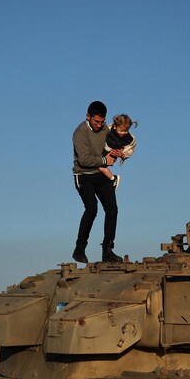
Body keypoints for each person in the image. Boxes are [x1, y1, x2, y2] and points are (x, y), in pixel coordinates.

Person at [72, 101, 123, 263]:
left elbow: (113, 144)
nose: (99, 125)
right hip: (83, 175)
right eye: (96, 122)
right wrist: (104, 160)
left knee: (112, 209)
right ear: (88, 117)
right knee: (92, 209)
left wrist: (119, 152)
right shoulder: (80, 132)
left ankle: (107, 249)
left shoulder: (105, 130)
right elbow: (84, 160)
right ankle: (79, 249)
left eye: (102, 121)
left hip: (101, 174)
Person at [98, 114, 137, 188]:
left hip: (112, 154)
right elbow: (100, 137)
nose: (123, 133)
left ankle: (113, 179)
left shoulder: (129, 138)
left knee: (99, 166)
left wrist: (123, 154)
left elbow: (130, 148)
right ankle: (111, 179)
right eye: (121, 130)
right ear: (115, 127)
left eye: (126, 131)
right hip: (103, 149)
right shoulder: (108, 129)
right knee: (96, 167)